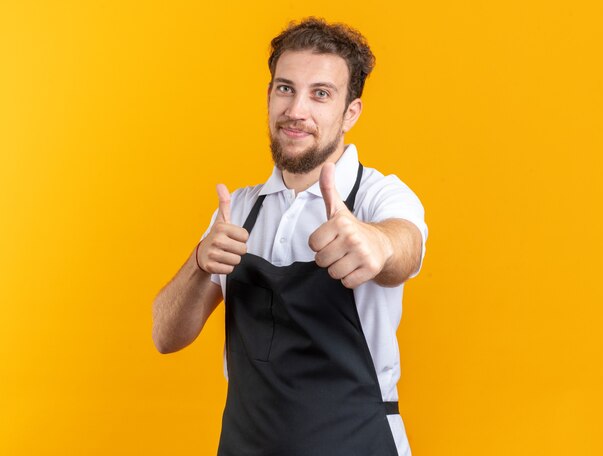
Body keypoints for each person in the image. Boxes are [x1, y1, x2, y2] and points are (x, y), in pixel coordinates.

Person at [152, 17, 428, 456]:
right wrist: (200, 260)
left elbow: (404, 248)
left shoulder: (379, 195)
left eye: (321, 94)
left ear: (350, 112)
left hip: (358, 444)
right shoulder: (238, 209)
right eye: (285, 88)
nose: (296, 110)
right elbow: (166, 337)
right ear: (268, 96)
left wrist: (377, 244)